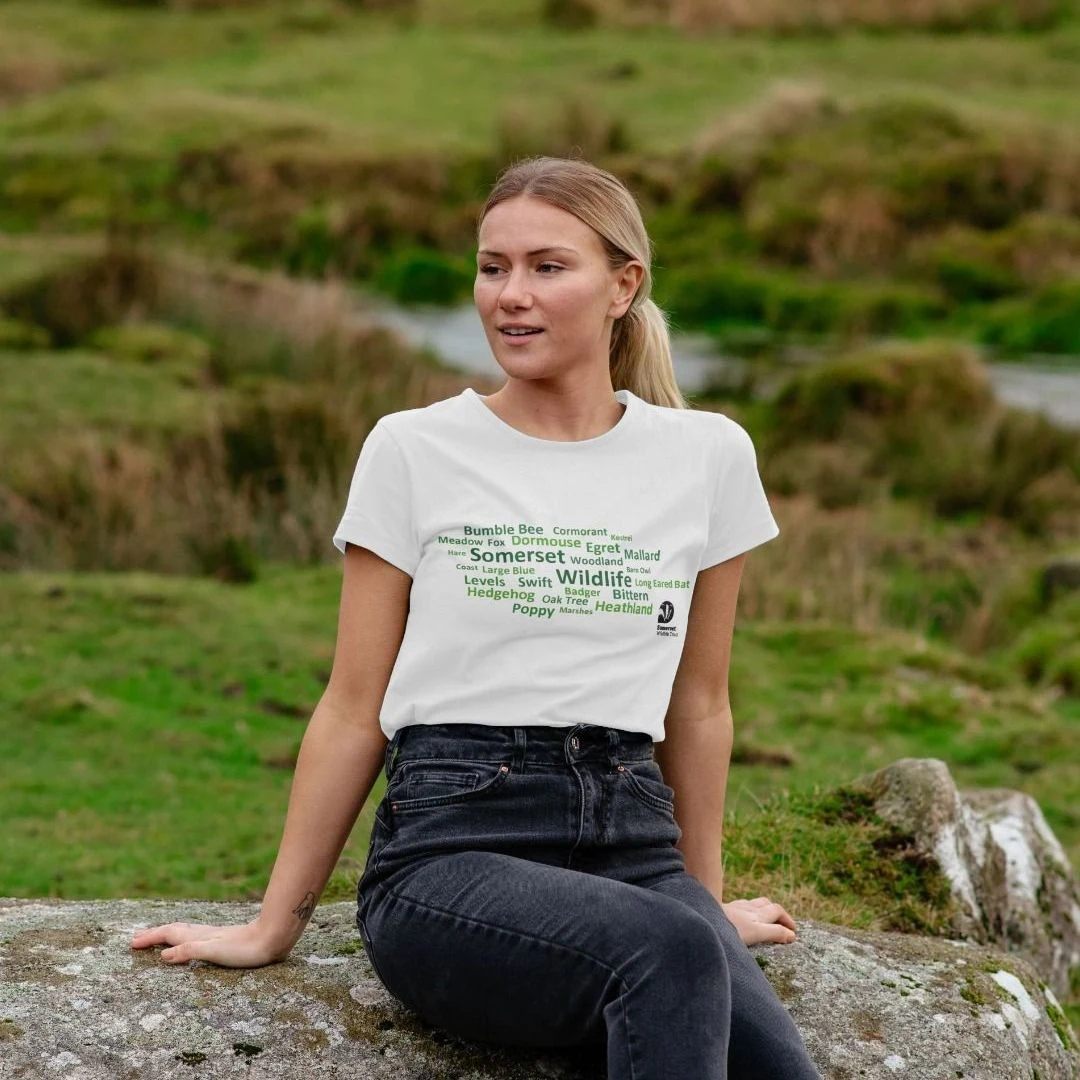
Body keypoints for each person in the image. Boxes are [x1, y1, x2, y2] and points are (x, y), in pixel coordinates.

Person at [130, 155, 822, 1079]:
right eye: (493, 268)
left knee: (745, 1026)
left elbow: (698, 707)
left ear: (623, 287)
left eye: (547, 267)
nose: (510, 295)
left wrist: (701, 904)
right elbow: (353, 706)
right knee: (671, 953)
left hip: (633, 844)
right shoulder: (414, 447)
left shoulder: (708, 455)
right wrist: (272, 926)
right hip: (452, 851)